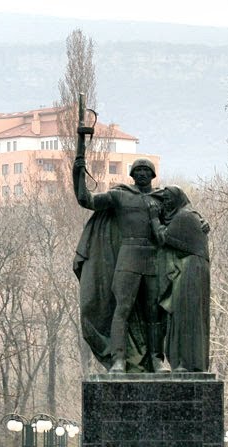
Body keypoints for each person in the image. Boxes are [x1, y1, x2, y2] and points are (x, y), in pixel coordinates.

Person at [73, 154, 169, 374]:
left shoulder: (162, 199)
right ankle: (118, 359)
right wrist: (77, 173)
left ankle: (156, 360)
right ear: (133, 175)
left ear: (153, 175)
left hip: (154, 260)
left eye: (147, 170)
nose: (142, 173)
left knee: (154, 313)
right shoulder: (120, 196)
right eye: (138, 170)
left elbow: (182, 216)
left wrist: (198, 223)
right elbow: (86, 200)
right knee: (122, 310)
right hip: (128, 258)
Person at [152, 185, 210, 372]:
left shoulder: (184, 217)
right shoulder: (188, 215)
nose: (166, 203)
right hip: (191, 268)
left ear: (178, 199)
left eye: (169, 199)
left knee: (185, 316)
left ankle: (186, 363)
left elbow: (163, 237)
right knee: (183, 316)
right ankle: (184, 362)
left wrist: (153, 218)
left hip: (190, 270)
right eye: (164, 199)